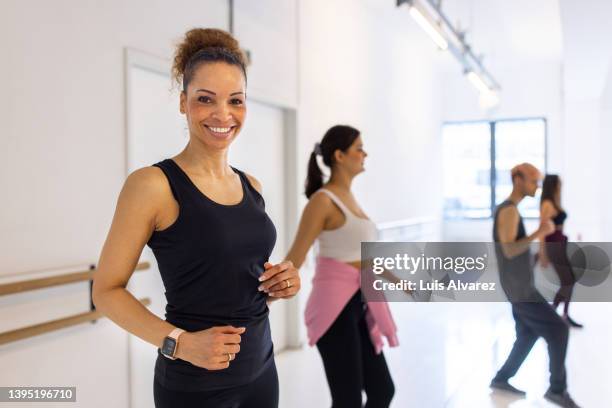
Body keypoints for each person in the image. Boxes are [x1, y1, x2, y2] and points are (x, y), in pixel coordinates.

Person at [92, 28, 300, 408]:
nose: (223, 114)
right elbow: (105, 292)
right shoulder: (153, 185)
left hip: (262, 371)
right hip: (195, 387)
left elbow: (234, 282)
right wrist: (180, 343)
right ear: (184, 102)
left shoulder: (251, 185)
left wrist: (280, 284)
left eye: (235, 101)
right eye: (206, 99)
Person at [269, 125, 398, 407]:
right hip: (333, 310)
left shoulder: (351, 197)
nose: (365, 153)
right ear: (339, 155)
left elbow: (363, 257)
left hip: (359, 303)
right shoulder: (322, 202)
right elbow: (295, 258)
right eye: (359, 148)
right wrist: (258, 301)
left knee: (382, 390)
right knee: (348, 400)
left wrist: (399, 280)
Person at [490, 163, 580, 408]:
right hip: (520, 288)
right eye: (533, 181)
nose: (537, 186)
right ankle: (557, 390)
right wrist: (539, 232)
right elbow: (509, 250)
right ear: (518, 179)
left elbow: (511, 248)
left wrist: (531, 254)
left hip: (518, 284)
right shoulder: (508, 210)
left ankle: (501, 379)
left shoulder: (510, 210)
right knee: (559, 330)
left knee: (527, 334)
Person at [539, 174, 582, 328]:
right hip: (553, 246)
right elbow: (542, 231)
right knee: (567, 281)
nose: (561, 185)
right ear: (553, 185)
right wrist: (543, 254)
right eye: (559, 183)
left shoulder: (555, 203)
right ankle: (554, 314)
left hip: (560, 243)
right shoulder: (547, 204)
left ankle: (564, 315)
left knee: (570, 280)